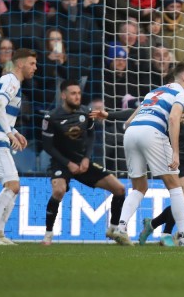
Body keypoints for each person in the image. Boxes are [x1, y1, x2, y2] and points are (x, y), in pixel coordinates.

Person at [111, 62, 184, 248]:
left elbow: (128, 122)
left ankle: (120, 227)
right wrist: (175, 152)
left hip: (131, 133)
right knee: (176, 187)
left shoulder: (154, 92)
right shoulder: (182, 95)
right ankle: (182, 236)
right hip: (152, 132)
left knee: (139, 187)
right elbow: (174, 118)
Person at [41, 81, 126, 245]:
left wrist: (87, 158)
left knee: (120, 189)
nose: (77, 96)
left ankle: (113, 228)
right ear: (63, 95)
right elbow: (47, 147)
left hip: (82, 163)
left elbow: (91, 136)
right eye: (73, 93)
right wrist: (67, 163)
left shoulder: (86, 112)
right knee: (59, 191)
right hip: (61, 163)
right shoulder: (51, 117)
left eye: (79, 93)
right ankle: (48, 235)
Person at [0, 49, 37, 245]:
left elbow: (0, 110)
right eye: (32, 63)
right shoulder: (11, 80)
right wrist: (9, 133)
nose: (35, 68)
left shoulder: (11, 81)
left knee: (13, 186)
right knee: (12, 186)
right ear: (20, 64)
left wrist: (14, 131)